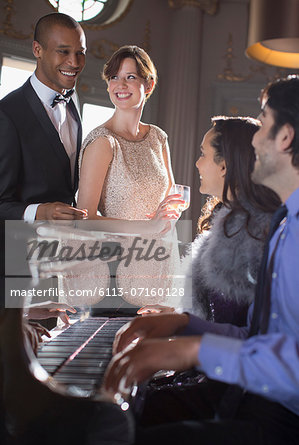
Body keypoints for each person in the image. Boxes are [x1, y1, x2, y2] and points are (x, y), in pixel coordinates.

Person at [104, 76, 299, 445]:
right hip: (256, 403)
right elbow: (257, 340)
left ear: (285, 137)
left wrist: (190, 349)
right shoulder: (283, 224)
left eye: (264, 122)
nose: (255, 139)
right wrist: (180, 323)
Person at [138, 117, 280, 326]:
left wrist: (179, 324)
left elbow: (234, 326)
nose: (197, 163)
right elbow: (207, 309)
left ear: (224, 165)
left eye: (203, 154)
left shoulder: (251, 235)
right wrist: (173, 312)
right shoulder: (231, 222)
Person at [76, 45, 180, 234]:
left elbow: (170, 199)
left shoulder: (158, 137)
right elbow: (85, 219)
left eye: (130, 77)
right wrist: (148, 227)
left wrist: (169, 216)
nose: (120, 85)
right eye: (114, 77)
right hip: (124, 254)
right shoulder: (103, 142)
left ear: (149, 84)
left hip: (164, 248)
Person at [0, 12, 87, 221]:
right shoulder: (7, 114)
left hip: (63, 248)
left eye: (80, 52)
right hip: (18, 249)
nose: (74, 62)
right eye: (63, 51)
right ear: (37, 50)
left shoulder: (72, 103)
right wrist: (39, 212)